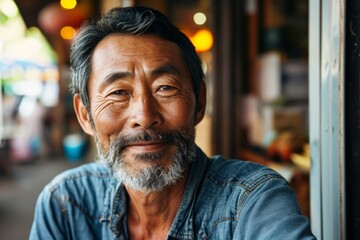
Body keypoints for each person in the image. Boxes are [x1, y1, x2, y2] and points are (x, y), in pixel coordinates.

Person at [30, 6, 316, 240]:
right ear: (84, 114)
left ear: (199, 102)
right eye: (118, 92)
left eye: (165, 88)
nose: (144, 115)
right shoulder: (66, 204)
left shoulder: (252, 202)